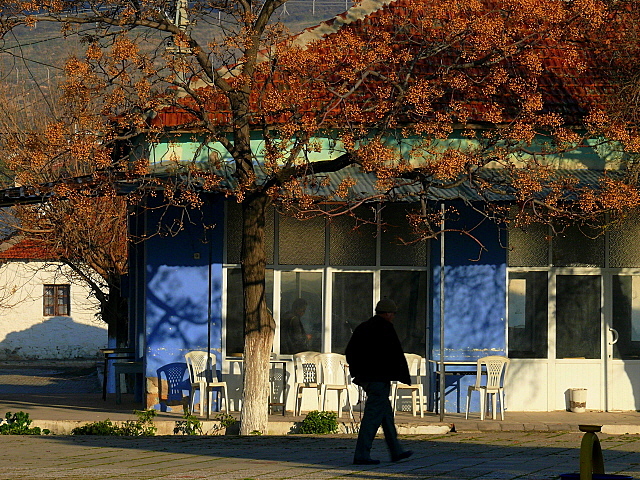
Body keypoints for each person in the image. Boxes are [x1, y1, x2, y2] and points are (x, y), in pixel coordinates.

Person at [345, 298, 414, 465]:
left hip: (369, 379)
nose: (393, 317)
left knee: (386, 416)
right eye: (393, 314)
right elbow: (394, 354)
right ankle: (361, 454)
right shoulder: (385, 328)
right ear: (388, 313)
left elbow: (350, 352)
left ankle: (396, 451)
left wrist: (358, 373)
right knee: (372, 417)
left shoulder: (363, 327)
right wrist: (399, 374)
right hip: (378, 379)